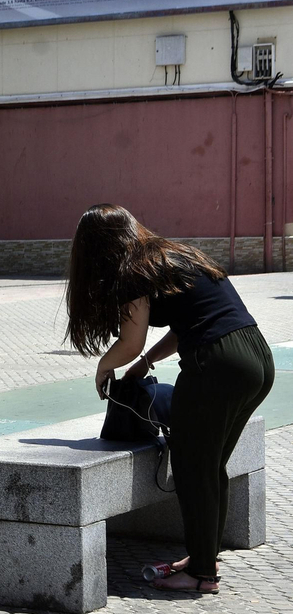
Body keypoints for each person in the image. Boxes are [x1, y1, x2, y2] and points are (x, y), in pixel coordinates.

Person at [65, 204, 273, 594]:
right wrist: (147, 362)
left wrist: (105, 366)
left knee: (194, 469)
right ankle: (202, 557)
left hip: (218, 364)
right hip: (256, 356)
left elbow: (131, 339)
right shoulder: (171, 254)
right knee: (210, 466)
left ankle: (201, 574)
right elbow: (187, 322)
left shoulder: (132, 271)